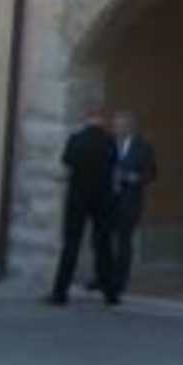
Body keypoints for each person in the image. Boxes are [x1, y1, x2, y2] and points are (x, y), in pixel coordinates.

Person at [47, 106, 118, 306]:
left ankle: (60, 292)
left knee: (71, 244)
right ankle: (110, 293)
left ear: (86, 117)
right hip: (102, 198)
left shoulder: (76, 139)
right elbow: (113, 163)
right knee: (103, 244)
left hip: (78, 197)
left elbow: (67, 160)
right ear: (102, 119)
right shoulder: (109, 141)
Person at [108, 109, 157, 297]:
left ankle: (120, 280)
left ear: (131, 126)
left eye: (122, 125)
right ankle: (103, 275)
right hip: (109, 200)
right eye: (116, 125)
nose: (118, 128)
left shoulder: (143, 147)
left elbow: (151, 173)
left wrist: (135, 178)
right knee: (104, 239)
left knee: (123, 241)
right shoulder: (109, 144)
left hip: (129, 201)